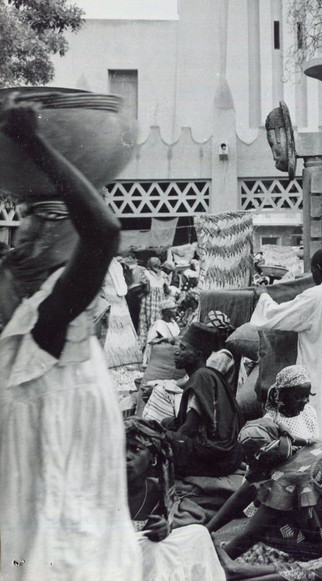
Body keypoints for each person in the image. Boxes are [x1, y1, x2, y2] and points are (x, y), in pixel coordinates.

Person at [0, 102, 141, 579]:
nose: (23, 230)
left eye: (38, 217)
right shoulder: (27, 317)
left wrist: (33, 143)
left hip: (58, 511)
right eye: (22, 216)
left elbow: (104, 231)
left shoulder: (51, 320)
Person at [207, 365, 322, 561]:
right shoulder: (282, 443)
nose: (304, 401)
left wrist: (207, 563)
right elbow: (247, 489)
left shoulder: (285, 475)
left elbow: (249, 535)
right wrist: (206, 531)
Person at [251, 248, 322, 445]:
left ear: (318, 269)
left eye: (313, 271)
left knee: (317, 427)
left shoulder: (314, 296)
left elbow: (274, 316)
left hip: (317, 376)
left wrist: (263, 296)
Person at [125, 418, 225, 581]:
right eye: (120, 449)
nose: (126, 456)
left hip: (142, 563)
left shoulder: (158, 490)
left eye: (136, 449)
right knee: (154, 551)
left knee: (198, 534)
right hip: (111, 563)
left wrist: (165, 527)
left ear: (153, 457)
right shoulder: (104, 492)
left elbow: (173, 521)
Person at [168, 321, 243, 477]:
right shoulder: (205, 375)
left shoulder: (202, 377)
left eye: (183, 348)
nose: (176, 352)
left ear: (199, 355)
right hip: (226, 453)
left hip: (216, 457)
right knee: (164, 425)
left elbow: (189, 428)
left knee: (159, 440)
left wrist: (168, 441)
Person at [101, 256, 142, 367]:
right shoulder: (116, 265)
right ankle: (122, 356)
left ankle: (114, 357)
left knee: (112, 325)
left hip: (112, 298)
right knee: (118, 326)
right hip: (116, 298)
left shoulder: (107, 265)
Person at [138, 256, 169, 350]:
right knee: (158, 320)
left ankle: (146, 344)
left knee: (146, 320)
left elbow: (146, 290)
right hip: (160, 301)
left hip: (149, 300)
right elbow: (167, 290)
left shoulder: (146, 274)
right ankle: (157, 343)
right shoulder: (163, 274)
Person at [143, 297, 180, 367]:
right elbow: (151, 343)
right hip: (160, 354)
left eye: (175, 308)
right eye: (172, 309)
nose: (175, 310)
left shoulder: (173, 323)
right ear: (166, 311)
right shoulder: (158, 324)